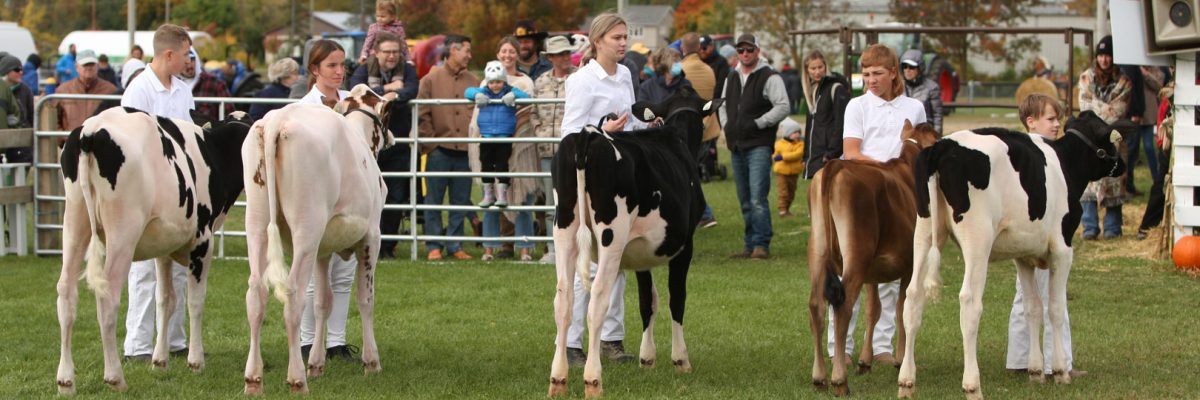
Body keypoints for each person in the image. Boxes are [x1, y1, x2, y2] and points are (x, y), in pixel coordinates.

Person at [828, 43, 927, 365]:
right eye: (866, 73)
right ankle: (839, 347)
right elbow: (852, 150)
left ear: (893, 73)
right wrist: (885, 170)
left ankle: (881, 346)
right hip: (861, 189)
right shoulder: (857, 105)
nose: (870, 80)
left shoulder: (914, 108)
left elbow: (919, 153)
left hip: (900, 194)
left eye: (877, 74)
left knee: (893, 268)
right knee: (850, 267)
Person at [560, 13, 647, 367]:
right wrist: (601, 127)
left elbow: (631, 118)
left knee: (618, 259)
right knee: (586, 262)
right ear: (598, 42)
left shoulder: (625, 74)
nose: (623, 43)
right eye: (617, 38)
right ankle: (570, 342)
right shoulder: (581, 81)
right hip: (586, 180)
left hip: (621, 177)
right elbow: (569, 133)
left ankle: (611, 338)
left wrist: (650, 122)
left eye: (625, 36)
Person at [118, 24, 195, 361]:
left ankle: (175, 340)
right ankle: (138, 345)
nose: (188, 61)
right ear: (169, 54)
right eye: (185, 55)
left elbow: (190, 138)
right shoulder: (138, 91)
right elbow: (129, 143)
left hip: (178, 189)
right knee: (145, 268)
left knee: (179, 263)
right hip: (145, 187)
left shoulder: (183, 90)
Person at [1005, 93, 1087, 379]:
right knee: (1050, 294)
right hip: (1038, 232)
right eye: (1051, 119)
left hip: (1028, 232)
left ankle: (1020, 359)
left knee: (1027, 295)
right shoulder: (1036, 154)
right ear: (1031, 122)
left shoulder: (1027, 151)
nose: (1056, 125)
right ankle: (1054, 362)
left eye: (1058, 120)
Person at [289, 39, 360, 362]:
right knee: (313, 270)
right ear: (314, 69)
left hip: (349, 195)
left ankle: (336, 340)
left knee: (344, 270)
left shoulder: (353, 101)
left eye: (342, 65)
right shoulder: (303, 108)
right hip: (315, 195)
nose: (339, 72)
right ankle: (307, 340)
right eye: (331, 65)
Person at [717, 34, 790, 260]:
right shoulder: (732, 77)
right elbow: (723, 104)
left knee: (758, 197)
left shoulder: (770, 76)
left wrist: (760, 123)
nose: (745, 54)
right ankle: (749, 244)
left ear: (758, 51)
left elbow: (783, 106)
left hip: (758, 143)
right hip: (736, 144)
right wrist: (727, 126)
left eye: (749, 50)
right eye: (741, 50)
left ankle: (761, 244)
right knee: (745, 198)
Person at [349, 31, 420, 259]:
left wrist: (390, 94)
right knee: (367, 193)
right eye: (387, 52)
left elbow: (412, 89)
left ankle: (387, 245)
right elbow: (358, 90)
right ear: (376, 52)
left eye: (395, 52)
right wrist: (390, 90)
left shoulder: (408, 69)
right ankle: (364, 241)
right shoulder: (363, 68)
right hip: (367, 145)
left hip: (397, 140)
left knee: (396, 194)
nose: (391, 56)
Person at [470, 37, 538, 262]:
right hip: (491, 140)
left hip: (521, 142)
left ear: (517, 55)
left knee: (522, 196)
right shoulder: (486, 80)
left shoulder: (525, 82)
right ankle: (490, 247)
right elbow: (475, 101)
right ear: (498, 54)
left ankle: (525, 247)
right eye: (503, 51)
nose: (508, 55)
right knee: (491, 196)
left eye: (512, 51)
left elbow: (529, 106)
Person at [417, 34, 478, 261]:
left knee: (460, 201)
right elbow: (422, 114)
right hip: (439, 150)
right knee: (433, 199)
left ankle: (455, 245)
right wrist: (431, 143)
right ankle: (434, 244)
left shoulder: (474, 81)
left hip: (465, 150)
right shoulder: (430, 80)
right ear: (453, 49)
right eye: (467, 51)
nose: (469, 56)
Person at [1078, 35, 1132, 240]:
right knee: (1089, 181)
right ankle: (1089, 226)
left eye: (1108, 55)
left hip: (1114, 138)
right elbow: (1084, 105)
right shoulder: (1086, 78)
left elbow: (1118, 111)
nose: (1104, 60)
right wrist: (1102, 110)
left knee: (1114, 178)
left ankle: (1112, 227)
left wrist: (1096, 110)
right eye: (1101, 55)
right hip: (1091, 141)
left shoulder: (1125, 81)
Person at [530, 34, 577, 264]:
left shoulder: (580, 78)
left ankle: (577, 248)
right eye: (560, 54)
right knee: (551, 201)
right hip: (547, 150)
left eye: (567, 53)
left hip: (574, 150)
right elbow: (532, 112)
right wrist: (539, 132)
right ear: (550, 58)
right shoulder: (540, 82)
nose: (565, 57)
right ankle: (553, 248)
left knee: (576, 200)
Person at [468, 61, 529, 208]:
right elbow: (468, 91)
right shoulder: (483, 92)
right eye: (492, 82)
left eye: (498, 82)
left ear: (504, 81)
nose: (495, 85)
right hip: (486, 137)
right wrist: (477, 95)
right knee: (486, 164)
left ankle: (502, 195)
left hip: (504, 137)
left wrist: (514, 95)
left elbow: (526, 97)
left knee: (502, 165)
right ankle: (488, 195)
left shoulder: (510, 91)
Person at [801, 50, 851, 179]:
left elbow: (841, 122)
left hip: (829, 156)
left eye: (820, 67)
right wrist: (806, 156)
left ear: (825, 66)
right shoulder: (812, 90)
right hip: (816, 154)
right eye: (813, 68)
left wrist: (831, 153)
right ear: (807, 70)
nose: (817, 71)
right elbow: (810, 127)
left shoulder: (836, 88)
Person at [1120, 64, 1168, 196]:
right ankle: (1129, 185)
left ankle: (1157, 180)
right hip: (1134, 113)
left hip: (1149, 115)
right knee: (1131, 151)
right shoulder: (1131, 68)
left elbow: (1159, 86)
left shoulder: (1157, 70)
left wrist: (1145, 74)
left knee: (1149, 147)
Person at [54, 50, 118, 131]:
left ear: (97, 66)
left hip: (99, 142)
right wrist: (63, 139)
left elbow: (117, 121)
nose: (89, 67)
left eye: (92, 64)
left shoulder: (110, 90)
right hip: (70, 141)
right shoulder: (63, 90)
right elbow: (54, 120)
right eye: (85, 64)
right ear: (76, 67)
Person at [181, 48, 234, 126]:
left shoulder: (216, 83)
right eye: (184, 61)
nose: (189, 64)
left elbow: (230, 116)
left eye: (192, 59)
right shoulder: (171, 85)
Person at [900, 49, 943, 134]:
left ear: (920, 68)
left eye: (911, 67)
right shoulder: (898, 87)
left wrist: (936, 139)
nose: (907, 70)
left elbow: (937, 116)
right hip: (904, 135)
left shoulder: (932, 87)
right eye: (905, 66)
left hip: (924, 135)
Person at [358, 0, 409, 65]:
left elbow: (403, 45)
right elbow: (368, 43)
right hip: (376, 55)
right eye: (377, 16)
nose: (379, 19)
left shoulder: (398, 28)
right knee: (372, 60)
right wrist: (364, 55)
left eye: (382, 16)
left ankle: (398, 74)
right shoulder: (374, 27)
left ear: (392, 17)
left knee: (401, 59)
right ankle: (373, 74)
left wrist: (408, 59)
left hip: (393, 54)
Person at [772, 118, 804, 217]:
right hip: (782, 172)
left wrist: (783, 157)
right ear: (788, 133)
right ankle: (782, 210)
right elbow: (774, 155)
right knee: (783, 191)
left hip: (794, 173)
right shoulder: (779, 144)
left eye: (798, 132)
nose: (797, 134)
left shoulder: (800, 145)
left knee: (791, 192)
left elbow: (797, 155)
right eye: (795, 132)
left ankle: (787, 208)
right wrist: (775, 157)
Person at [698, 35, 731, 102]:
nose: (701, 51)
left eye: (704, 48)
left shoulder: (721, 62)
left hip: (716, 102)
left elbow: (721, 85)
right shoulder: (698, 61)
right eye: (699, 48)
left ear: (711, 46)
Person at [0, 53, 20, 132]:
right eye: (17, 70)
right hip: (3, 140)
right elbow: (14, 115)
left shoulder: (4, 87)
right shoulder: (4, 86)